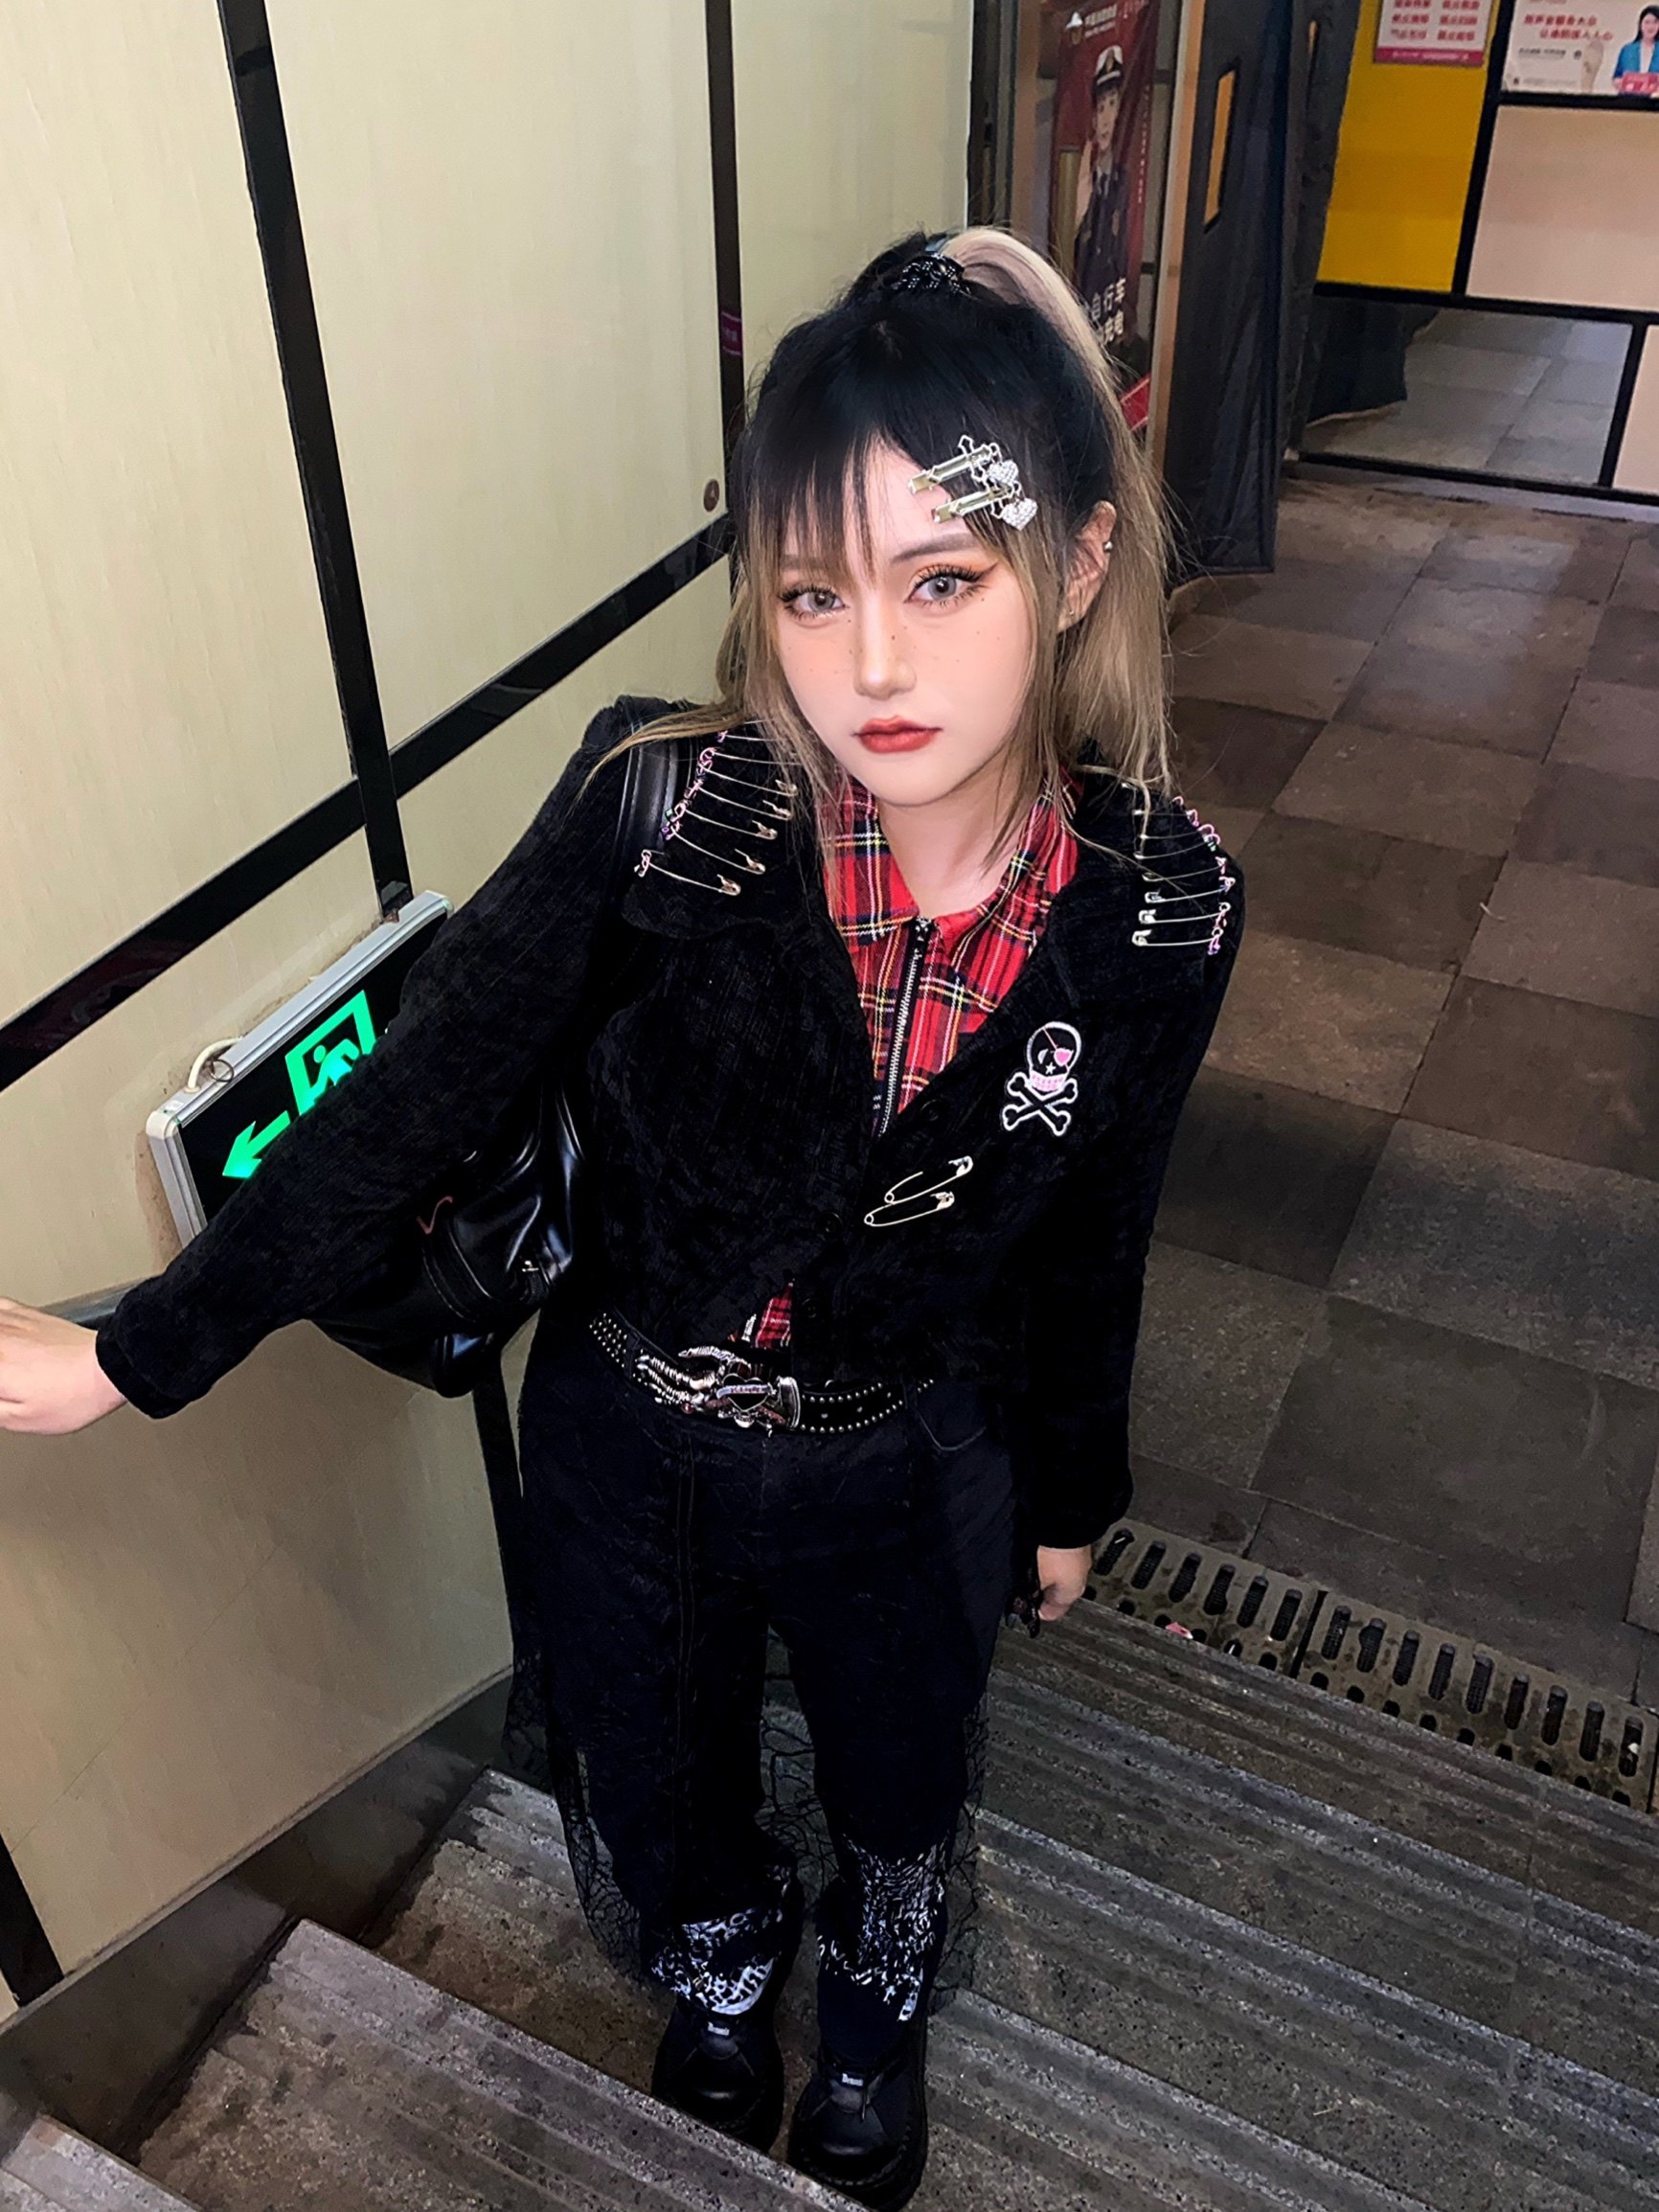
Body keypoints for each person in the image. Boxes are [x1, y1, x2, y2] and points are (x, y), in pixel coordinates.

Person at [0, 227, 1241, 2209]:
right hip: (627, 1426)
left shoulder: (1156, 904)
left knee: (900, 1756)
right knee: (652, 1755)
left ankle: (873, 2004)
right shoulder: (674, 810)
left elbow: (1100, 1224)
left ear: (1078, 562)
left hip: (906, 1443)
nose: (873, 665)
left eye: (945, 579)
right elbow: (412, 1098)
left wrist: (1072, 1490)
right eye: (814, 590)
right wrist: (140, 1353)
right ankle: (724, 1971)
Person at [1072, 45, 1137, 365]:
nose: (1107, 118)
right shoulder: (1087, 181)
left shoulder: (1125, 183)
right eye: (1100, 108)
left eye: (1113, 104)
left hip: (1114, 324)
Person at [1614, 9, 1659, 91]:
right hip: (1629, 97)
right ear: (1640, 24)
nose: (1651, 26)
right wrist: (1621, 83)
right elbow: (1617, 77)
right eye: (1647, 22)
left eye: (1655, 22)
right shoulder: (1627, 50)